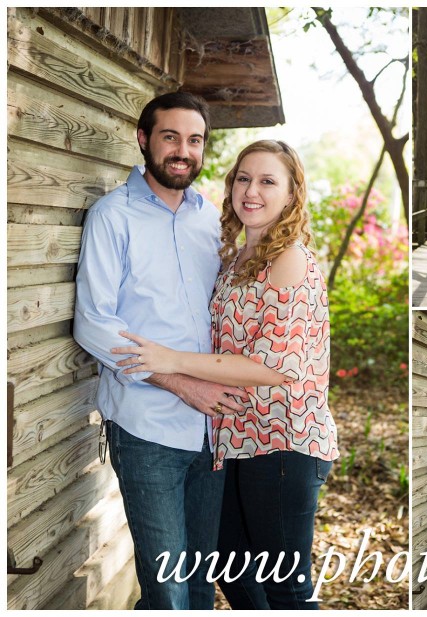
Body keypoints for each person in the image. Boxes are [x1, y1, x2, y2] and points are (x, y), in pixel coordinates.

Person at [110, 140, 339, 608]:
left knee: (286, 587)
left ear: (294, 193)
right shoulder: (236, 258)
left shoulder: (289, 258)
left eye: (268, 181)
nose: (251, 191)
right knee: (235, 578)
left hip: (283, 443)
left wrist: (167, 359)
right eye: (243, 178)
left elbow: (272, 367)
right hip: (236, 441)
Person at [73, 92, 246, 609]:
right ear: (144, 139)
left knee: (197, 580)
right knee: (168, 589)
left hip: (210, 430)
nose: (183, 151)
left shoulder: (211, 220)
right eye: (170, 137)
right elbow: (94, 324)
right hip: (146, 426)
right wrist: (180, 383)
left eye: (195, 141)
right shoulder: (113, 216)